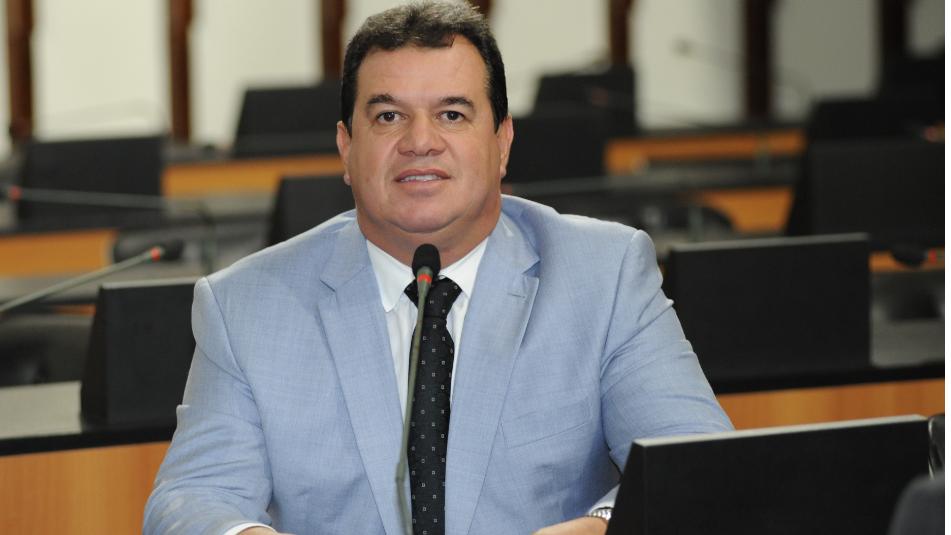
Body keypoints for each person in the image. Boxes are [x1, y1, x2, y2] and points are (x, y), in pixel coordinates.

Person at [144, 2, 732, 534]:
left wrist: (601, 528)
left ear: (502, 142)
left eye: (452, 114)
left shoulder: (603, 275)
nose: (419, 142)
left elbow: (698, 465)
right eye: (388, 117)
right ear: (347, 148)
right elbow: (190, 501)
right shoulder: (246, 306)